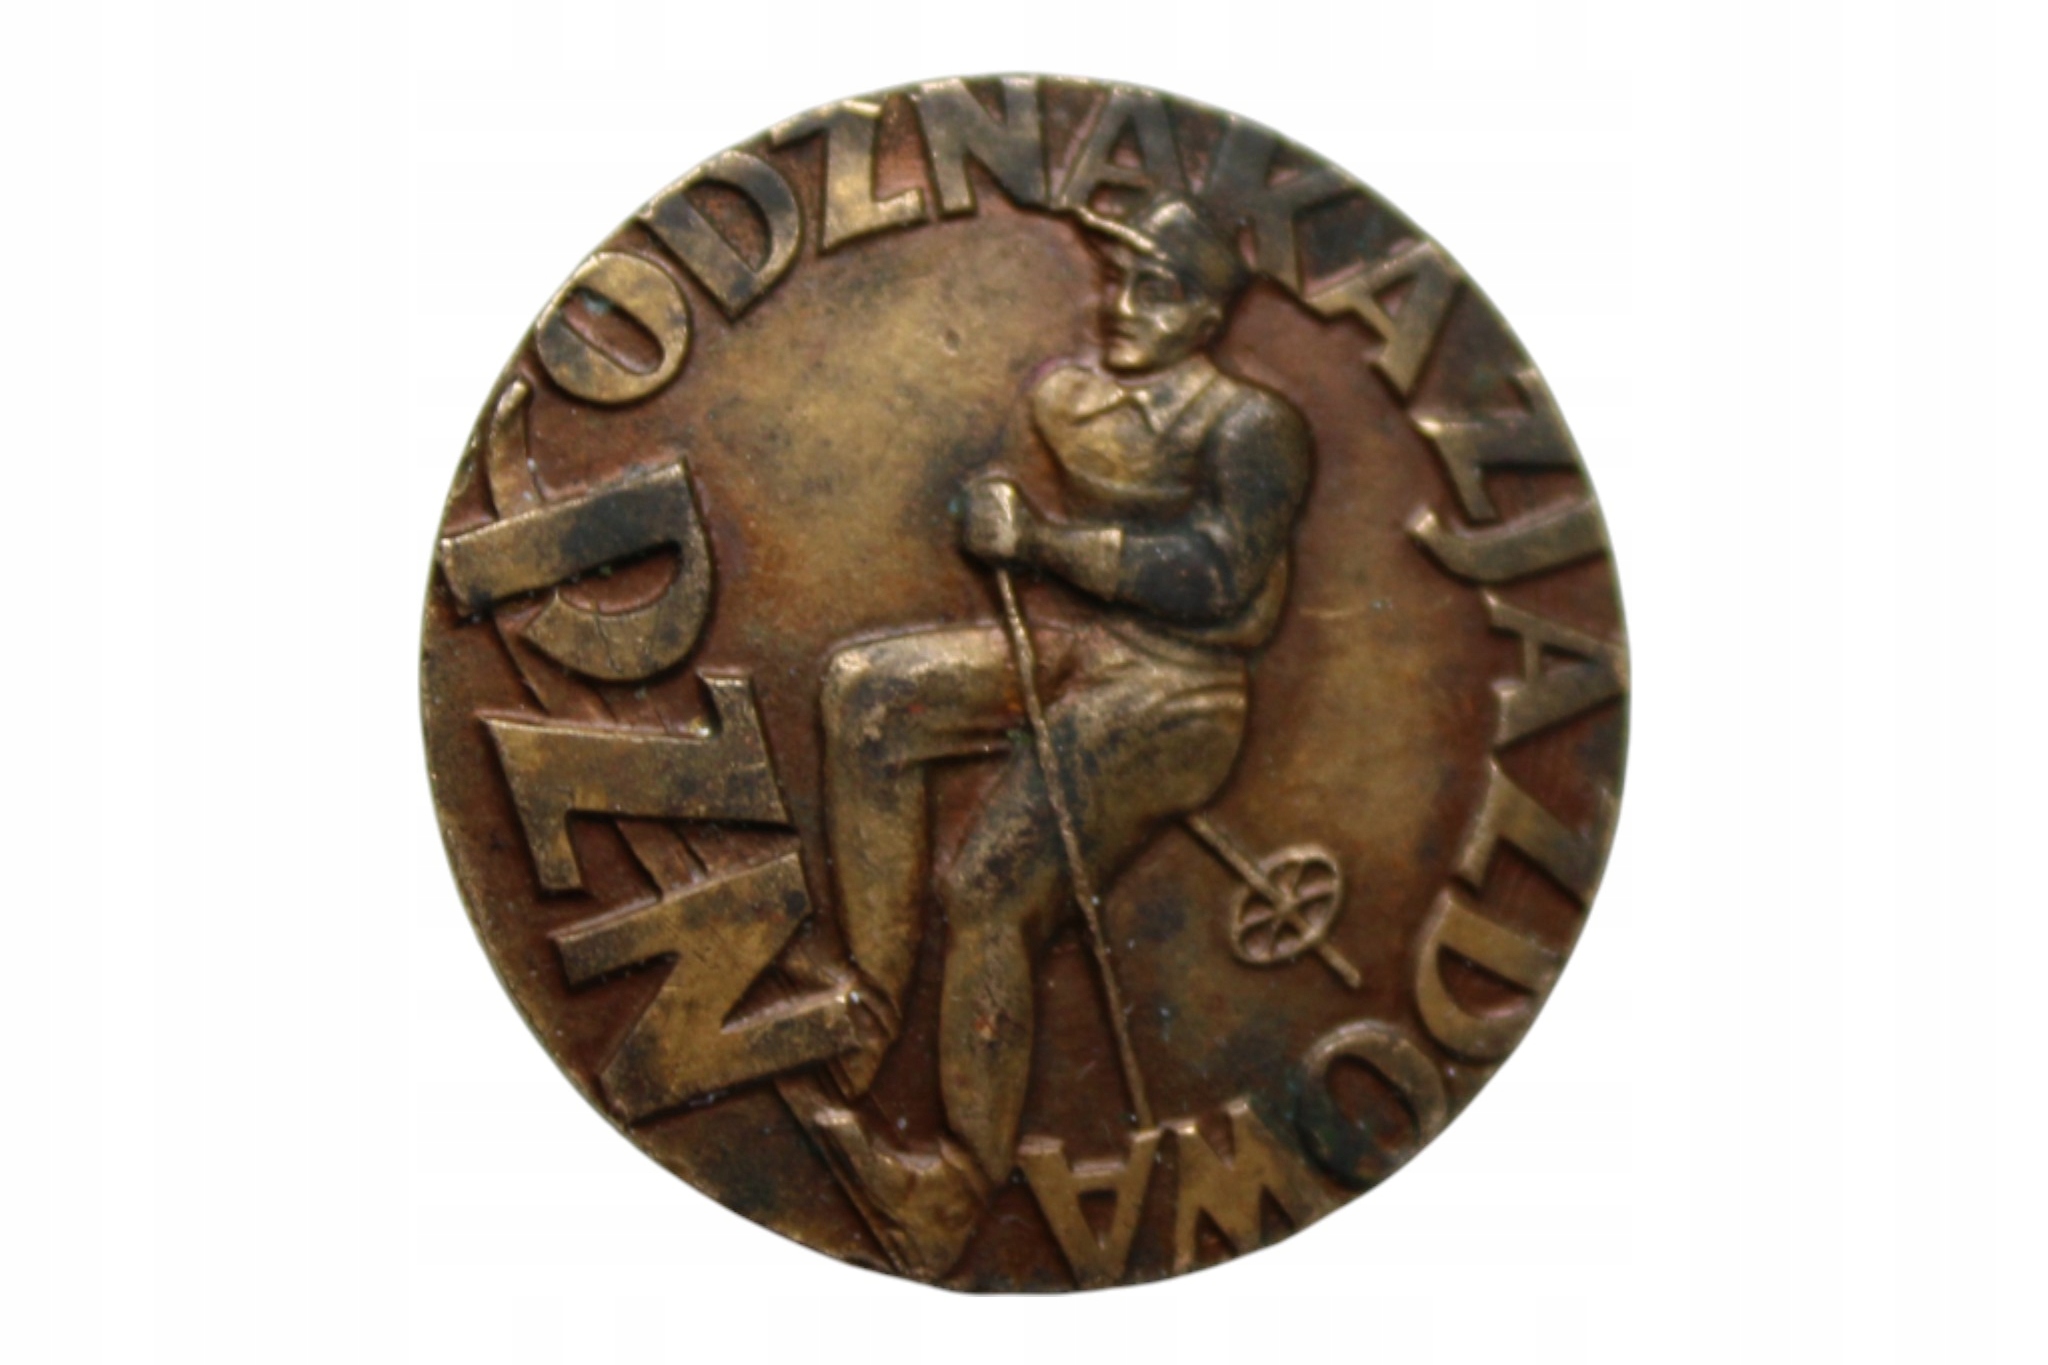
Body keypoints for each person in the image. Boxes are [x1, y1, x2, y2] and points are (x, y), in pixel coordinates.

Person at [807, 192, 1314, 1276]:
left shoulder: (1252, 427)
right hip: (1088, 649)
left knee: (989, 887)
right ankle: (864, 1011)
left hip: (1184, 690)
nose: (1120, 304)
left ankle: (953, 1192)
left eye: (1156, 289)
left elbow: (1217, 573)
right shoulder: (1077, 402)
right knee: (867, 693)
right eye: (1118, 277)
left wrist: (1040, 541)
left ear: (1208, 315)